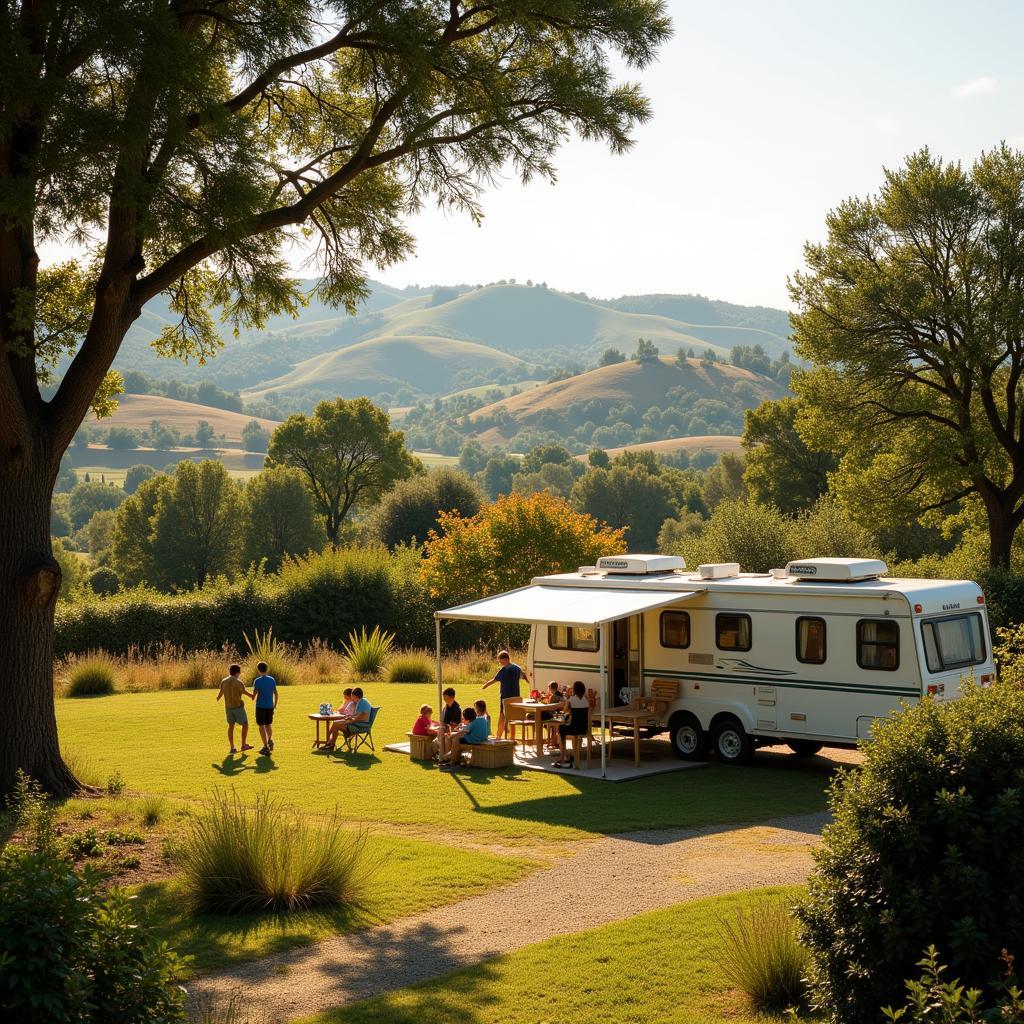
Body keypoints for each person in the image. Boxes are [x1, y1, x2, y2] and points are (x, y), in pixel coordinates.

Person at [482, 650, 529, 739]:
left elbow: (495, 679)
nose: (500, 663)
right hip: (515, 696)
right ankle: (512, 738)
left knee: (502, 717)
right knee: (512, 717)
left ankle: (499, 737)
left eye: (501, 661)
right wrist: (527, 680)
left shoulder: (504, 670)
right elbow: (523, 676)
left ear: (506, 659)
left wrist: (486, 685)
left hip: (505, 696)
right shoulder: (517, 668)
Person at [216, 663, 254, 754]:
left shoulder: (224, 681)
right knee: (245, 724)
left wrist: (218, 698)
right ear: (238, 672)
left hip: (228, 707)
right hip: (238, 707)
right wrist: (251, 696)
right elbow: (243, 691)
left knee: (231, 726)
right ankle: (243, 744)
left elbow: (220, 693)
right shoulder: (238, 682)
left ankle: (232, 747)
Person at [553, 681, 590, 769]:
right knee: (567, 729)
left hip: (574, 728)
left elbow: (565, 711)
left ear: (575, 690)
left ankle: (562, 757)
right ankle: (571, 756)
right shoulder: (586, 700)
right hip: (584, 728)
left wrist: (567, 701)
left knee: (561, 728)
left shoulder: (571, 700)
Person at [440, 706, 490, 770]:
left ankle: (451, 761)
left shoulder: (472, 723)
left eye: (463, 718)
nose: (463, 720)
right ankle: (452, 757)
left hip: (475, 740)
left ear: (468, 719)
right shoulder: (482, 719)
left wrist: (452, 736)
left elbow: (463, 732)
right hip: (482, 738)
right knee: (457, 738)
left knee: (456, 740)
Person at [251, 661, 278, 757]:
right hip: (270, 705)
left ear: (259, 670)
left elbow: (253, 696)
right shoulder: (272, 679)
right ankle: (269, 741)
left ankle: (265, 747)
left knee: (261, 726)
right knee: (268, 725)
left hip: (260, 706)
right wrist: (275, 704)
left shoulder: (257, 681)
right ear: (266, 669)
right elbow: (276, 693)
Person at [433, 686, 461, 759]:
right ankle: (441, 755)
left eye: (445, 697)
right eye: (444, 697)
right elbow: (443, 722)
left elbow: (454, 725)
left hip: (454, 731)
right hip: (446, 729)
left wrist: (444, 728)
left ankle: (446, 757)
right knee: (438, 732)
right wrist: (439, 725)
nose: (444, 699)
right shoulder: (446, 707)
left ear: (451, 697)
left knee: (445, 737)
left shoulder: (456, 709)